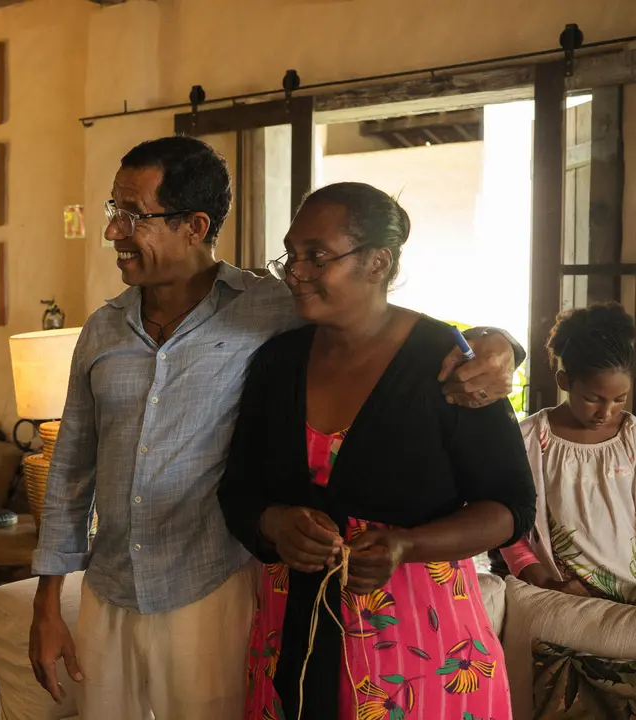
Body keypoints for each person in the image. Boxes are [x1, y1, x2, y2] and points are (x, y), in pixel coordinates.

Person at [27, 136, 525, 719]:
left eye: (133, 214)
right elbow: (78, 468)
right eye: (292, 256)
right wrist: (46, 600)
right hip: (170, 598)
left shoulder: (285, 313)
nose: (114, 230)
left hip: (310, 612)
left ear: (195, 226)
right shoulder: (255, 349)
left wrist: (502, 345)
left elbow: (385, 326)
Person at [217, 182, 537, 720]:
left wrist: (406, 545)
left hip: (421, 653)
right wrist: (274, 523)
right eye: (291, 255)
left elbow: (511, 507)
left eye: (317, 256)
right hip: (292, 643)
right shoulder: (279, 362)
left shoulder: (449, 364)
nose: (295, 271)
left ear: (377, 262)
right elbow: (238, 489)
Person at [500, 303, 636, 603]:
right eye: (593, 398)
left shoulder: (631, 438)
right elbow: (509, 527)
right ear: (564, 382)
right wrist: (545, 581)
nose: (606, 412)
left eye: (620, 399)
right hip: (560, 598)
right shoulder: (528, 440)